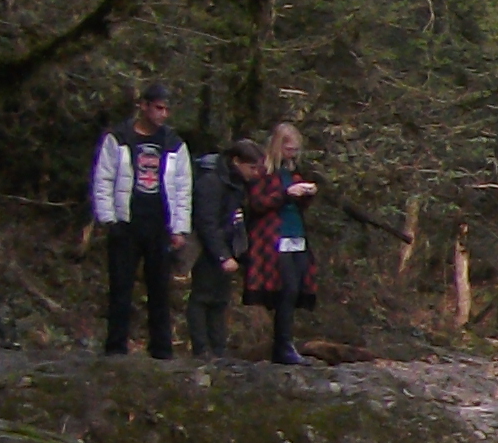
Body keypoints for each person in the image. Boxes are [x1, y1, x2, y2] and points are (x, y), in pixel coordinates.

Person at [87, 79, 191, 359]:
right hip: (127, 221)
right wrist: (109, 218)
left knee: (159, 289)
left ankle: (161, 349)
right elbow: (103, 178)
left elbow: (183, 187)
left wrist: (180, 227)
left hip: (160, 223)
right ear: (143, 106)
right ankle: (115, 347)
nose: (163, 114)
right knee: (121, 286)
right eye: (158, 108)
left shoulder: (174, 143)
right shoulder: (119, 138)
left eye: (166, 109)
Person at [239, 123, 322, 364]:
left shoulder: (293, 172)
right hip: (274, 238)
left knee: (296, 289)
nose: (292, 154)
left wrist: (305, 195)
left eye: (295, 150)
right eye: (288, 148)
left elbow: (297, 205)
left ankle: (286, 342)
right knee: (286, 290)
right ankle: (282, 345)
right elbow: (257, 203)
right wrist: (286, 194)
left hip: (296, 235)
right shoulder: (263, 173)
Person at [188, 135, 254, 356]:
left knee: (220, 299)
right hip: (205, 249)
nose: (255, 173)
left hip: (226, 246)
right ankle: (201, 348)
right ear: (237, 161)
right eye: (252, 167)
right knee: (202, 297)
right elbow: (207, 222)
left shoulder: (236, 184)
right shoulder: (211, 181)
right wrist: (222, 255)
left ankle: (218, 348)